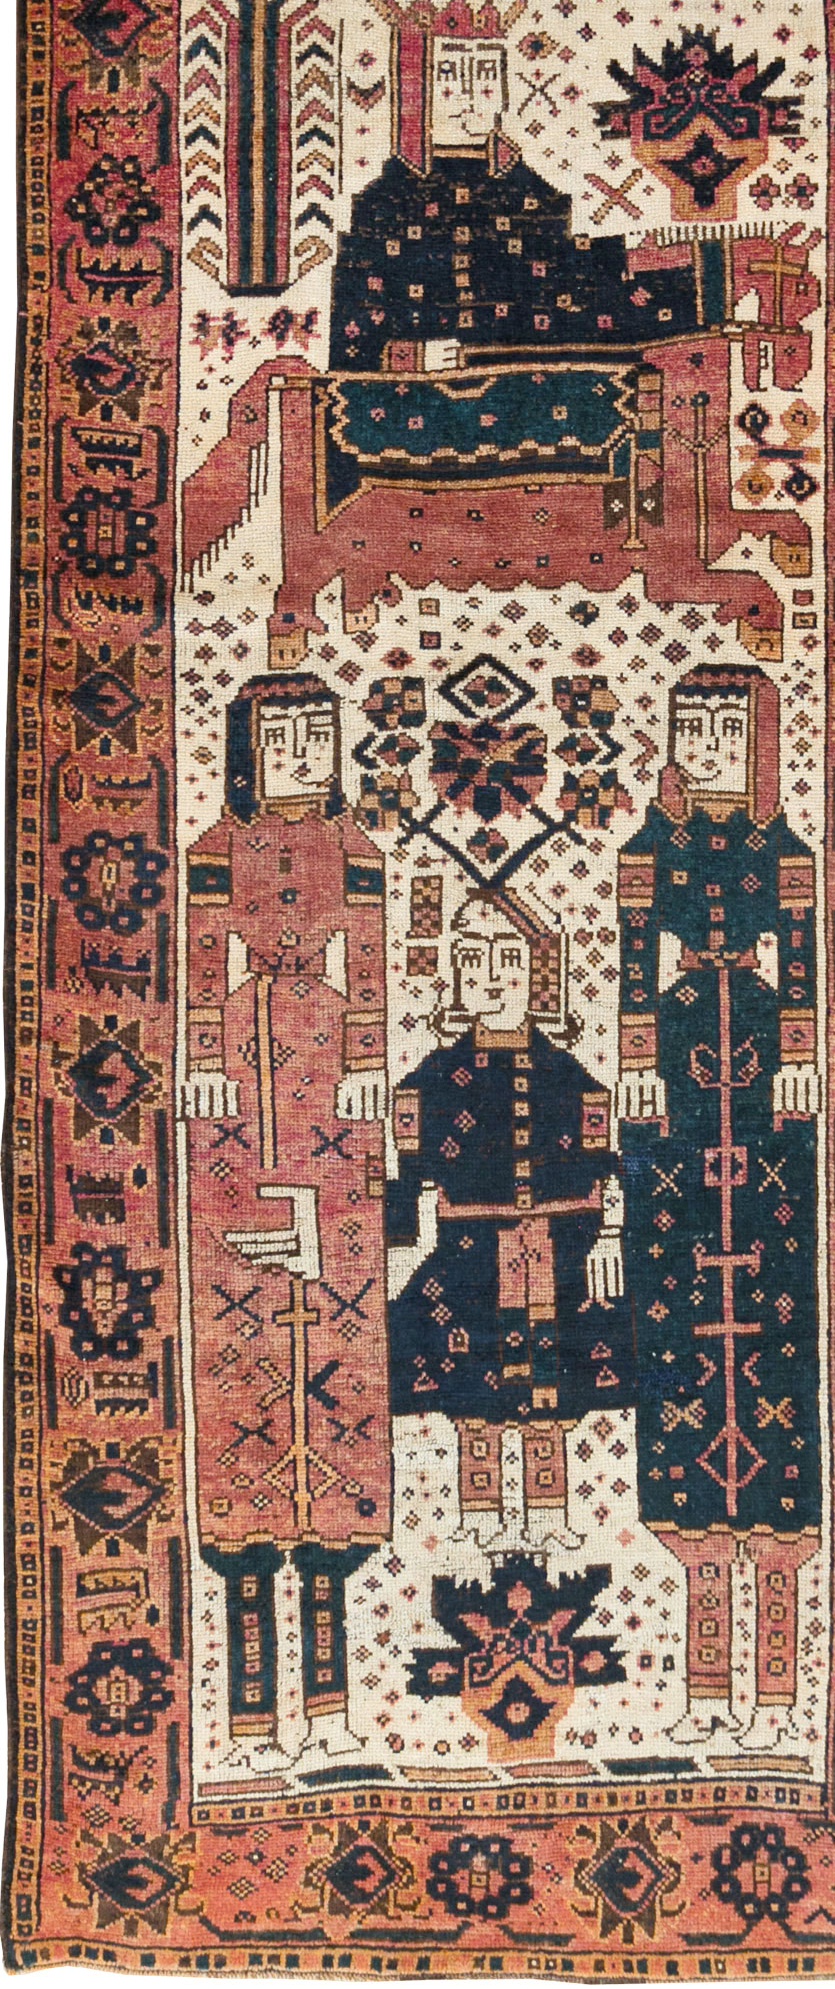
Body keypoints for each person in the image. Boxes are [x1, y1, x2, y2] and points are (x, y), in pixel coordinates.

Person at [181, 673, 391, 1762]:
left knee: (342, 1423)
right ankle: (254, 1715)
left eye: (318, 731)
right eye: (282, 734)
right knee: (240, 1414)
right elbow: (200, 948)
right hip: (235, 1097)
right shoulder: (219, 845)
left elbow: (370, 952)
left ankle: (333, 1710)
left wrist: (366, 1060)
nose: (303, 749)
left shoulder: (354, 846)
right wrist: (204, 1054)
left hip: (329, 1081)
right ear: (246, 749)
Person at [616, 663, 820, 1754]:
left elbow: (806, 958)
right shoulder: (650, 851)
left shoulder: (787, 853)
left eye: (725, 726)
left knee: (784, 1344)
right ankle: (705, 1683)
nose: (705, 742)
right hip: (680, 1069)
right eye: (689, 724)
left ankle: (779, 1692)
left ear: (760, 739)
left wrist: (802, 1051)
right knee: (674, 1347)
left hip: (769, 1083)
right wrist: (633, 1066)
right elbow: (627, 968)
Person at [385, 891, 632, 1554]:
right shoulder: (432, 1078)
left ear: (540, 975)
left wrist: (609, 1233)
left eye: (508, 961)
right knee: (472, 1388)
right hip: (466, 1253)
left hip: (557, 1245)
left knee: (551, 1384)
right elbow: (407, 1169)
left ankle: (549, 1515)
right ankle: (480, 1517)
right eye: (472, 960)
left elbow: (607, 1158)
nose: (490, 977)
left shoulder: (568, 1073)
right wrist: (403, 1241)